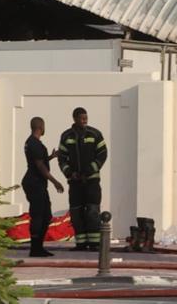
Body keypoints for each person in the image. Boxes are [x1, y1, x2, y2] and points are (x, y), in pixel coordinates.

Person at [57, 106, 108, 251]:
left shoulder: (95, 134)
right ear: (75, 119)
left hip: (92, 181)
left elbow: (102, 154)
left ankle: (94, 243)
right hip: (75, 182)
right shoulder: (66, 136)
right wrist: (69, 173)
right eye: (82, 118)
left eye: (86, 118)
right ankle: (81, 243)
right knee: (76, 212)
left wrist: (91, 169)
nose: (85, 121)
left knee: (92, 210)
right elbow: (61, 158)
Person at [22, 116, 64, 257]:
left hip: (36, 182)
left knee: (46, 215)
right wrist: (55, 181)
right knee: (39, 215)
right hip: (35, 183)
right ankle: (35, 248)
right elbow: (40, 166)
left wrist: (51, 157)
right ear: (40, 127)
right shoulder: (34, 144)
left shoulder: (32, 143)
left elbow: (38, 161)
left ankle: (38, 247)